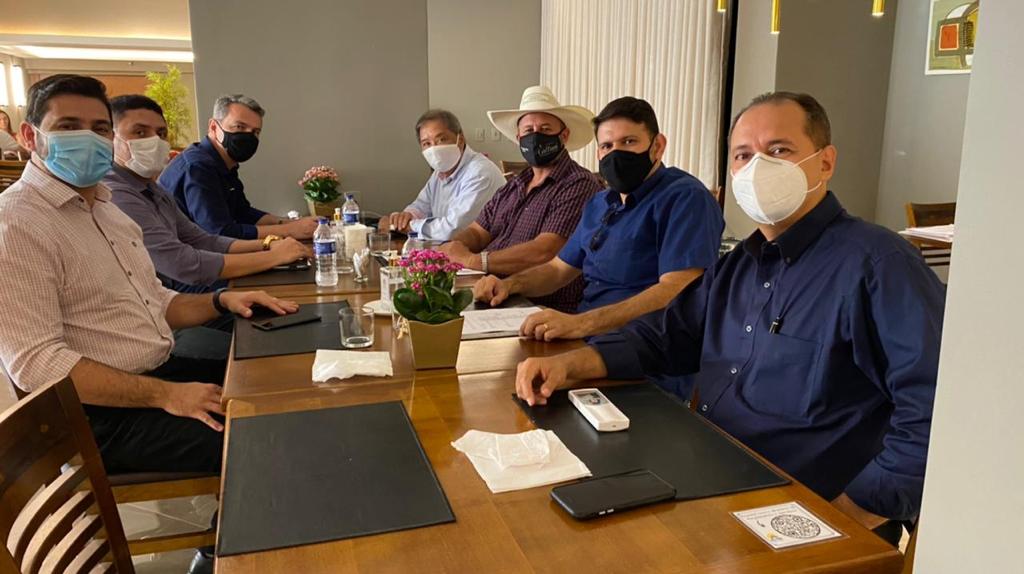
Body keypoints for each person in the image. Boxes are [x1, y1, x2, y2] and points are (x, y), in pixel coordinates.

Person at [514, 92, 945, 544]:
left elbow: (935, 406)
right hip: (712, 477)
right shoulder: (740, 264)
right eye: (743, 155)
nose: (759, 168)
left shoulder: (878, 265)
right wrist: (574, 363)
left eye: (779, 150)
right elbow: (669, 335)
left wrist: (855, 511)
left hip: (805, 512)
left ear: (825, 162)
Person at [473, 97, 723, 343]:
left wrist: (581, 324)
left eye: (629, 141)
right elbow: (558, 270)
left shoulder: (685, 198)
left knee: (525, 368)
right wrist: (509, 285)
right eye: (607, 146)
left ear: (657, 146)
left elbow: (677, 288)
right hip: (589, 335)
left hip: (645, 343)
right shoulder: (600, 203)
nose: (616, 153)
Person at [104, 95, 311, 295]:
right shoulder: (117, 193)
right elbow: (186, 262)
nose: (154, 140)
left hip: (191, 277)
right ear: (110, 137)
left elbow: (203, 239)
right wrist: (274, 254)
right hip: (174, 292)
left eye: (161, 133)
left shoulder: (152, 188)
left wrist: (271, 243)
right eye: (140, 132)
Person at [440, 86, 604, 312]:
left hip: (540, 307)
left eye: (545, 129)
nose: (535, 136)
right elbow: (478, 232)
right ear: (518, 139)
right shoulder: (514, 185)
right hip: (492, 295)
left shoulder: (578, 184)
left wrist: (474, 261)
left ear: (564, 136)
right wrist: (455, 246)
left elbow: (544, 251)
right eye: (528, 130)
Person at [159, 94, 319, 240]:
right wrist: (289, 230)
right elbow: (219, 233)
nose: (248, 136)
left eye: (255, 132)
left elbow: (242, 212)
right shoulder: (198, 167)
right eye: (240, 127)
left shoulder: (226, 163)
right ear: (213, 127)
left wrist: (290, 223)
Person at [378, 109, 505, 240]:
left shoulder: (480, 172)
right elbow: (421, 206)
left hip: (484, 251)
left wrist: (405, 227)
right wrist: (404, 217)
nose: (434, 149)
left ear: (460, 139)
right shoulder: (440, 173)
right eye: (426, 143)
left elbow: (454, 230)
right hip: (451, 248)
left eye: (441, 139)